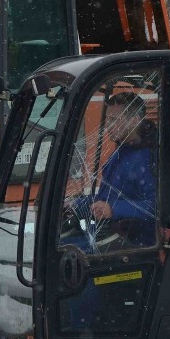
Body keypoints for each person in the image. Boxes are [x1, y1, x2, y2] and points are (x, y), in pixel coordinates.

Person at [67, 92, 157, 251]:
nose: (108, 125)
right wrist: (76, 204)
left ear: (135, 121)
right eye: (108, 119)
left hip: (136, 242)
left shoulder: (149, 157)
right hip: (109, 233)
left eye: (115, 120)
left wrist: (113, 209)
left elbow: (156, 207)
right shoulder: (122, 150)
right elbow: (106, 197)